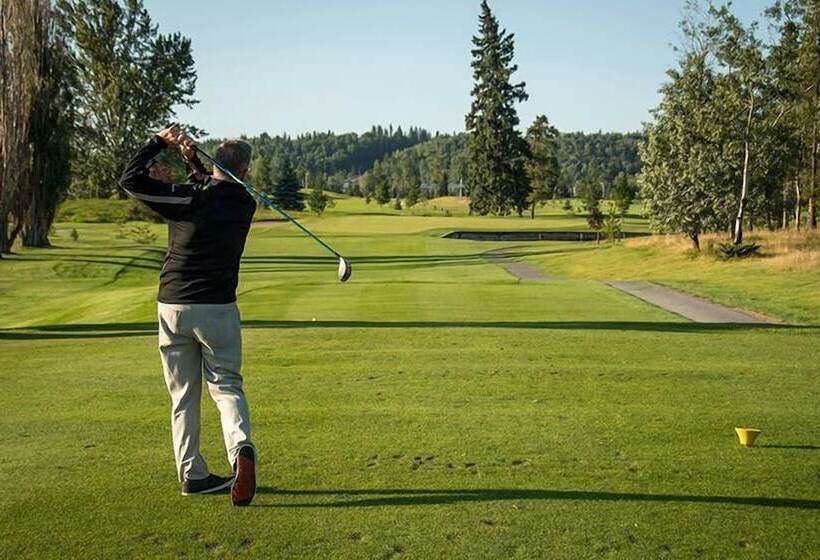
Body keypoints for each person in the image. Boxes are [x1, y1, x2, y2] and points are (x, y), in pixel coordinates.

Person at [120, 125, 257, 506]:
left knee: (182, 395)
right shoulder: (245, 203)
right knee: (226, 386)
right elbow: (213, 189)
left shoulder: (187, 197)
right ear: (245, 171)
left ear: (215, 164)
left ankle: (192, 475)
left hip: (174, 306)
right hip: (218, 308)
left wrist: (158, 143)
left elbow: (130, 179)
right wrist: (192, 160)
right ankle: (240, 448)